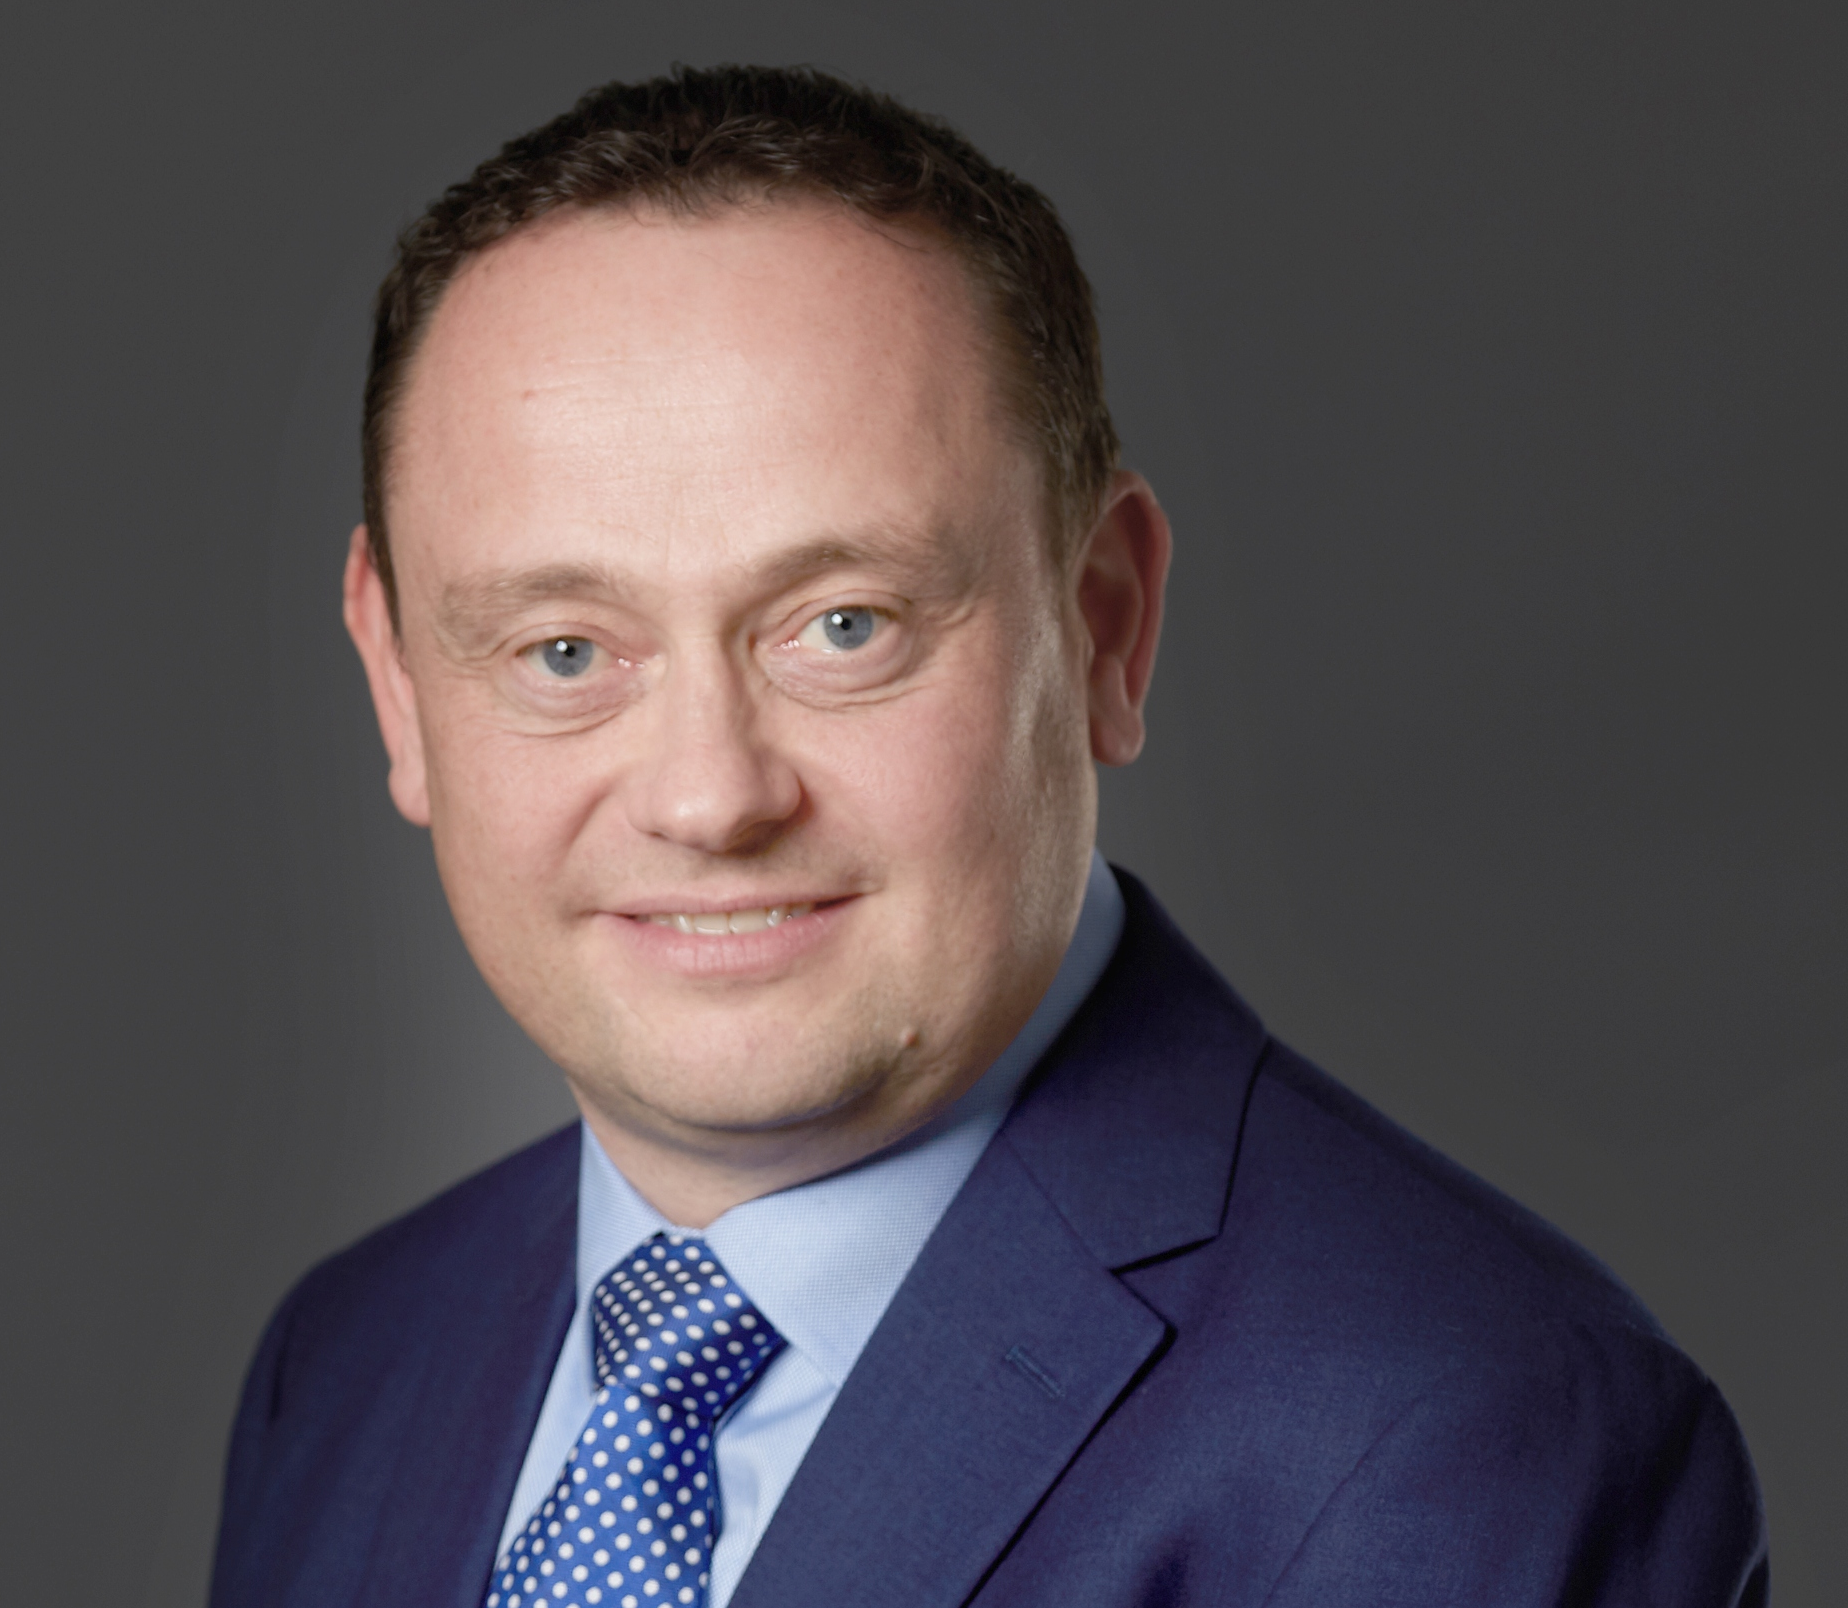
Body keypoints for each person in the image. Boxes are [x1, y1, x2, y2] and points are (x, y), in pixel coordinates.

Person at [208, 65, 1769, 1608]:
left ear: (1104, 627)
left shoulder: (1467, 1443)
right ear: (399, 682)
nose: (709, 797)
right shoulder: (349, 1365)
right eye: (563, 651)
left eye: (842, 625)